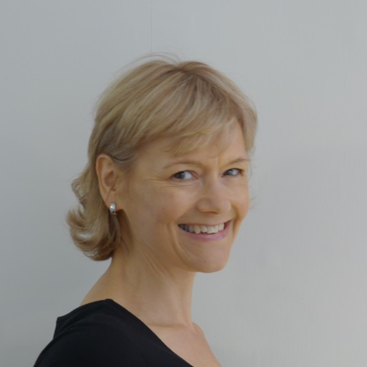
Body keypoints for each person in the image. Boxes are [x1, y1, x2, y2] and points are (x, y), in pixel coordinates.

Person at [34, 56, 257, 367]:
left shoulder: (186, 337)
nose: (218, 203)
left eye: (232, 171)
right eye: (183, 174)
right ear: (112, 181)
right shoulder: (93, 353)